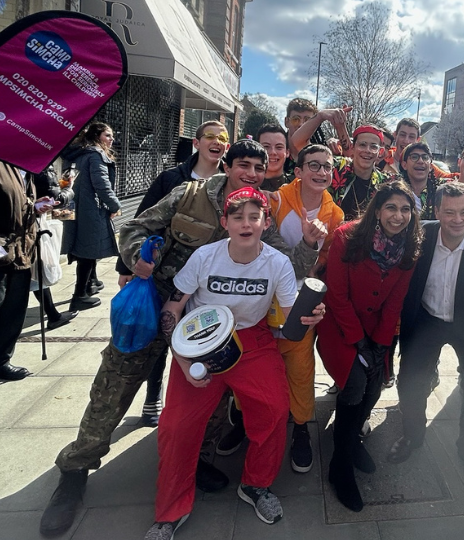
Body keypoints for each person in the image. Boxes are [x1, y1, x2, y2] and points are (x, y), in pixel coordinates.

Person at [39, 140, 323, 537]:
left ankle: (200, 466)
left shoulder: (260, 216)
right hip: (155, 304)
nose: (253, 173)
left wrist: (310, 246)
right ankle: (74, 472)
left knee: (212, 405)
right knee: (114, 390)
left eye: (260, 168)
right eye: (245, 165)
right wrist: (137, 258)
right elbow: (137, 226)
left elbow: (283, 268)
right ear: (227, 166)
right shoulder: (187, 193)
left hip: (210, 327)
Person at [144, 187, 324, 539]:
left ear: (264, 222)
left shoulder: (277, 262)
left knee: (274, 409)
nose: (246, 224)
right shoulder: (205, 257)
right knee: (176, 426)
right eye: (237, 217)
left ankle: (256, 485)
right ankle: (169, 511)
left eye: (253, 217)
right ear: (225, 222)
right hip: (198, 343)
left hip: (251, 339)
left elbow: (290, 321)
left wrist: (310, 316)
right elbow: (172, 310)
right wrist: (181, 361)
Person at [218, 144, 344, 474]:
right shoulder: (272, 202)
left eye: (327, 167)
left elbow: (321, 267)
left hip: (299, 306)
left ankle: (301, 428)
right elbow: (268, 255)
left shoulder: (335, 216)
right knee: (253, 369)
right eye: (313, 165)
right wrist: (305, 243)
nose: (321, 172)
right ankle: (245, 422)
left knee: (301, 372)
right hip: (257, 305)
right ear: (298, 171)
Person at [387, 182, 464, 485]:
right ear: (437, 211)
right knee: (410, 383)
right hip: (427, 319)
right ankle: (412, 436)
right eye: (450, 212)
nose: (458, 219)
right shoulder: (419, 236)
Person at [113, 120, 231, 426]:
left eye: (222, 138)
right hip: (161, 283)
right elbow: (140, 222)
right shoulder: (173, 180)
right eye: (210, 136)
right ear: (196, 142)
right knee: (151, 345)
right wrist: (128, 265)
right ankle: (152, 399)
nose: (216, 142)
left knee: (191, 353)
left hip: (201, 293)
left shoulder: (229, 185)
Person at [316, 180, 422, 512]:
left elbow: (394, 303)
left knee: (375, 385)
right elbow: (337, 295)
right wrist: (358, 341)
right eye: (391, 207)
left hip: (377, 329)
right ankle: (340, 465)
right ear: (377, 210)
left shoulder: (409, 247)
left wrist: (379, 345)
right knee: (355, 385)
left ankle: (351, 440)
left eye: (406, 209)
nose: (398, 215)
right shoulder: (346, 237)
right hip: (339, 325)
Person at [0, 161, 55, 381]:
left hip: (21, 249)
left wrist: (34, 206)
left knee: (13, 309)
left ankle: (2, 359)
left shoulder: (24, 168)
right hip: (3, 248)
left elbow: (18, 204)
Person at [61, 122, 121, 312]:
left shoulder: (76, 153)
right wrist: (115, 205)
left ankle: (91, 283)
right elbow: (101, 184)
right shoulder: (95, 155)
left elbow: (65, 179)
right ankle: (79, 295)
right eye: (108, 136)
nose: (112, 140)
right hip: (90, 209)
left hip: (74, 206)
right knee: (88, 251)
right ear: (97, 136)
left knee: (83, 247)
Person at [28, 163, 77, 330]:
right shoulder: (37, 161)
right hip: (28, 226)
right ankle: (53, 315)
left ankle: (52, 314)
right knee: (36, 268)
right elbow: (56, 198)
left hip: (24, 221)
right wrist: (69, 188)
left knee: (34, 271)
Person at [397, 141, 446, 220]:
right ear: (404, 165)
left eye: (425, 157)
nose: (420, 161)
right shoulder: (395, 189)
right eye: (414, 157)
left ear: (430, 166)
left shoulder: (441, 190)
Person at [257, 123, 291, 191]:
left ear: (287, 152)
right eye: (266, 146)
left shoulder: (298, 185)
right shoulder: (247, 184)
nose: (273, 152)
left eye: (279, 147)